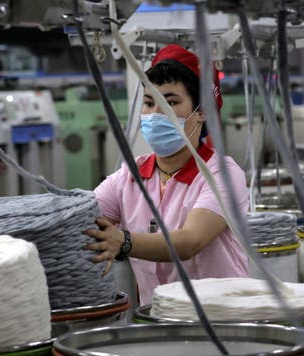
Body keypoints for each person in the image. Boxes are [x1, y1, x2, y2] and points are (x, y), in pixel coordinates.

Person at [85, 44, 249, 306]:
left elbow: (190, 241)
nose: (154, 115)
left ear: (201, 112)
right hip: (159, 323)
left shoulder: (223, 175)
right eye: (149, 103)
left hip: (222, 322)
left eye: (169, 103)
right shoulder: (130, 176)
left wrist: (124, 241)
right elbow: (84, 220)